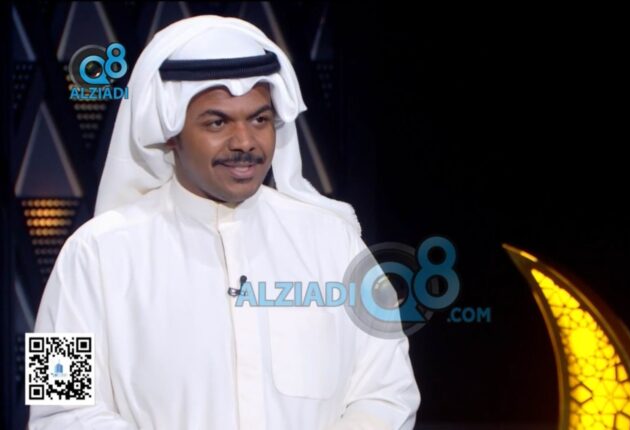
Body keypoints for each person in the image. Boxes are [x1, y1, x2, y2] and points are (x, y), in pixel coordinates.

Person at [29, 15, 420, 430]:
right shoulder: (90, 254)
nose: (245, 142)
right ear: (170, 132)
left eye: (260, 119)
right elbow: (58, 409)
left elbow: (388, 391)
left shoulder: (335, 242)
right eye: (217, 122)